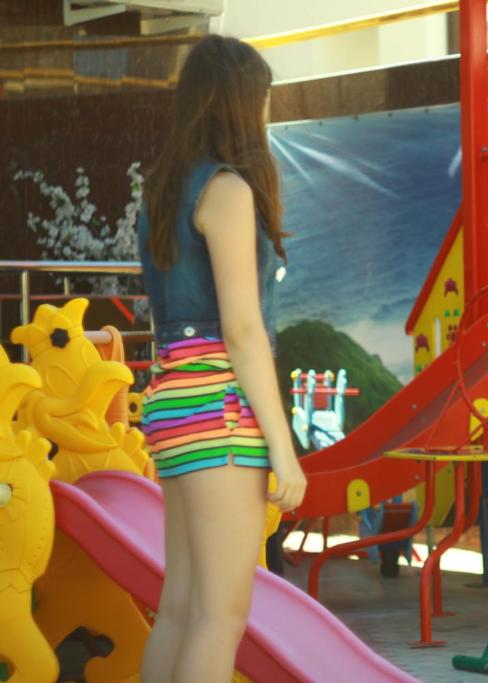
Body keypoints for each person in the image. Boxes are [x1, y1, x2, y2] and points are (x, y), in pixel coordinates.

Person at [136, 35, 306, 683]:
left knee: (181, 609)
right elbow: (241, 328)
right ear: (240, 102)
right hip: (222, 409)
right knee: (220, 615)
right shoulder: (228, 189)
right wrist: (283, 447)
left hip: (174, 403)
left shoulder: (164, 191)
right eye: (261, 99)